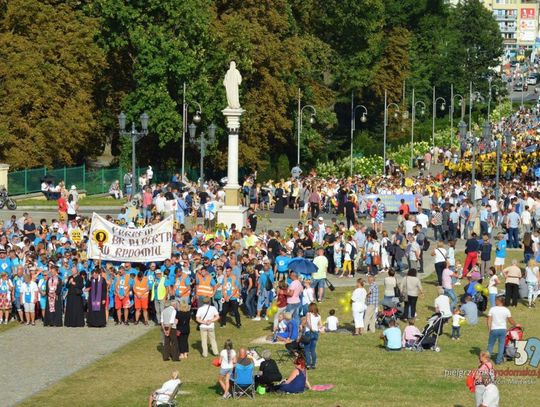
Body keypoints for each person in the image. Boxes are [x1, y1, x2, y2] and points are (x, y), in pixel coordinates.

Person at [487, 296, 516, 364]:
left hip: (494, 329)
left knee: (490, 345)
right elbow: (510, 320)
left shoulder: (492, 309)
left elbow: (489, 319)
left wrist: (489, 328)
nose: (495, 301)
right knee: (501, 345)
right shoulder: (506, 310)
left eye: (496, 300)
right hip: (503, 330)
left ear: (498, 301)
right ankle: (498, 361)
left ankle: (487, 359)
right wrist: (516, 324)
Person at [304, 302, 323, 369]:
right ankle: (313, 364)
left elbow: (308, 322)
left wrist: (311, 328)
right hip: (315, 333)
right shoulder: (318, 316)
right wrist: (316, 328)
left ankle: (308, 364)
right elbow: (321, 325)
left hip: (309, 332)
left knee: (307, 349)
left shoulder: (308, 314)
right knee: (313, 350)